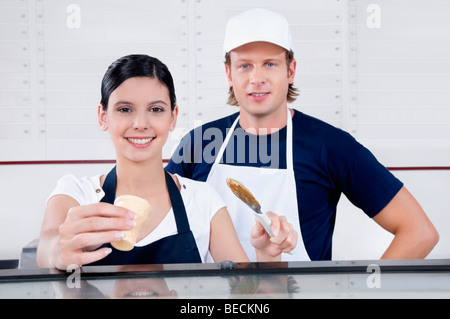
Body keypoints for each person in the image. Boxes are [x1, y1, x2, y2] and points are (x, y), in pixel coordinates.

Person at [166, 8, 439, 261]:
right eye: (244, 65)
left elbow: (419, 232)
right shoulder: (199, 144)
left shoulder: (330, 146)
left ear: (291, 70)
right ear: (229, 73)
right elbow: (159, 226)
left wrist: (370, 292)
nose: (256, 78)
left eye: (270, 64)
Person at [36, 54, 297, 270]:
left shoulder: (204, 202)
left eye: (156, 109)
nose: (140, 124)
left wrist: (268, 255)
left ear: (173, 117)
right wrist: (59, 250)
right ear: (103, 116)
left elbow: (247, 296)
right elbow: (46, 246)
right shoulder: (76, 193)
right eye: (124, 109)